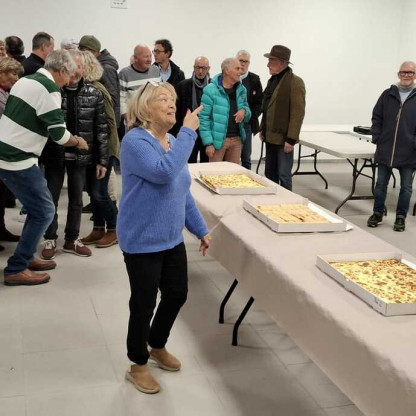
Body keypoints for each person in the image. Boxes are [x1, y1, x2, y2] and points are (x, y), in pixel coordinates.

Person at [118, 81, 210, 394]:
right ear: (145, 107)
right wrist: (189, 133)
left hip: (171, 239)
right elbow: (163, 172)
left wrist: (200, 229)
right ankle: (137, 364)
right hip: (142, 240)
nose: (172, 103)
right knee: (143, 304)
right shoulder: (135, 141)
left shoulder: (171, 140)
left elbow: (181, 191)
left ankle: (156, 344)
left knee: (177, 294)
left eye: (173, 99)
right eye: (163, 99)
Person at [0, 50, 88, 286]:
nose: (68, 81)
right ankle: (16, 268)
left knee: (36, 208)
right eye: (69, 75)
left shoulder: (26, 80)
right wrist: (78, 142)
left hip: (7, 152)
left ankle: (26, 256)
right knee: (45, 211)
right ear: (61, 70)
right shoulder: (50, 89)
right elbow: (59, 135)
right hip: (17, 158)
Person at [40, 50, 108, 260]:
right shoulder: (51, 91)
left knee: (77, 200)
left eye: (79, 66)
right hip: (54, 155)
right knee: (50, 198)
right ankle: (50, 237)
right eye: (72, 66)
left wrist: (102, 160)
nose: (76, 71)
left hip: (80, 157)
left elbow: (101, 129)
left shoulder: (94, 94)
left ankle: (72, 239)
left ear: (84, 68)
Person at [367, 61, 416, 232]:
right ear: (398, 74)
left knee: (406, 187)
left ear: (415, 75)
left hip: (409, 152)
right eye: (404, 72)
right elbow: (376, 116)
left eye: (410, 72)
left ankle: (401, 216)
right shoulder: (387, 94)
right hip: (385, 149)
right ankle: (377, 213)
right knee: (380, 184)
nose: (406, 75)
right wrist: (377, 138)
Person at [80, 50, 120, 248]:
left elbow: (109, 124)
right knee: (92, 191)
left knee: (99, 192)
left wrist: (104, 156)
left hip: (104, 150)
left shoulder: (98, 89)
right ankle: (98, 228)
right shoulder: (84, 88)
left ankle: (114, 229)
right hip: (92, 149)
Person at [260, 45, 306, 191]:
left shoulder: (295, 82)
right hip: (270, 136)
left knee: (284, 175)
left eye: (271, 61)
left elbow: (298, 113)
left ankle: (288, 202)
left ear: (281, 62)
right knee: (269, 173)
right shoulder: (272, 80)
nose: (268, 64)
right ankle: (272, 200)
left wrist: (291, 139)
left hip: (284, 139)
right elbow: (267, 107)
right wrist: (263, 128)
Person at [199, 57, 251, 163]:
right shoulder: (210, 90)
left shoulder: (241, 90)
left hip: (237, 140)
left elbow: (248, 112)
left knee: (233, 173)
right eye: (237, 68)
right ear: (227, 70)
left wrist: (244, 111)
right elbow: (203, 118)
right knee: (214, 172)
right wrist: (209, 143)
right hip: (217, 142)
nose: (240, 72)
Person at [0, 57, 23, 251]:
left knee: (1, 194)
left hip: (4, 151)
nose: (16, 78)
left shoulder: (7, 92)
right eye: (13, 74)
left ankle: (0, 229)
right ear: (2, 73)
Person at [173, 56, 211, 163]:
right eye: (198, 67)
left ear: (208, 69)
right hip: (189, 130)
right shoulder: (182, 86)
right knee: (189, 162)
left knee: (206, 164)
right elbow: (177, 111)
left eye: (204, 68)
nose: (200, 71)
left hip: (207, 131)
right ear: (194, 67)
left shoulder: (213, 87)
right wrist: (179, 131)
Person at [78, 35, 120, 125]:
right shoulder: (95, 67)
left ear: (95, 52)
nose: (81, 54)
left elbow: (112, 100)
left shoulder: (106, 69)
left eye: (84, 51)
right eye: (79, 50)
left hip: (106, 122)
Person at [236, 50, 263, 170]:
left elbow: (260, 102)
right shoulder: (229, 77)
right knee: (230, 156)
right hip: (231, 123)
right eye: (240, 60)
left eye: (245, 61)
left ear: (249, 63)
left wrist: (250, 117)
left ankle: (247, 179)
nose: (243, 63)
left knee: (246, 157)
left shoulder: (254, 80)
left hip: (247, 123)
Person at [119, 44, 161, 121]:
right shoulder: (124, 73)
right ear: (135, 58)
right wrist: (128, 120)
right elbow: (121, 99)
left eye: (150, 56)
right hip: (134, 121)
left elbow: (160, 93)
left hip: (155, 120)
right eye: (145, 57)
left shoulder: (156, 70)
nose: (149, 60)